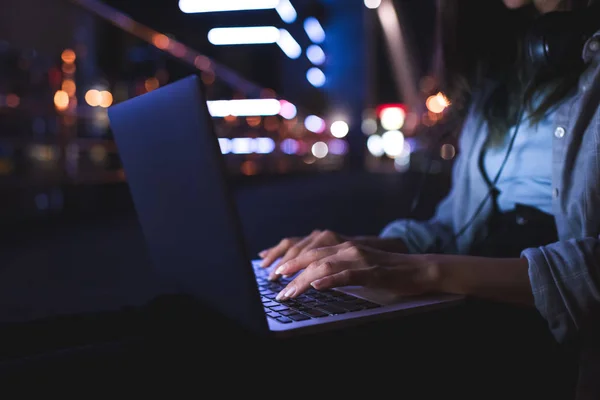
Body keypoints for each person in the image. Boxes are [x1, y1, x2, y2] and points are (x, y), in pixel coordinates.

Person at [259, 0, 600, 398]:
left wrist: (424, 270)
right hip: (483, 313)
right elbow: (457, 224)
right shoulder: (505, 76)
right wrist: (363, 251)